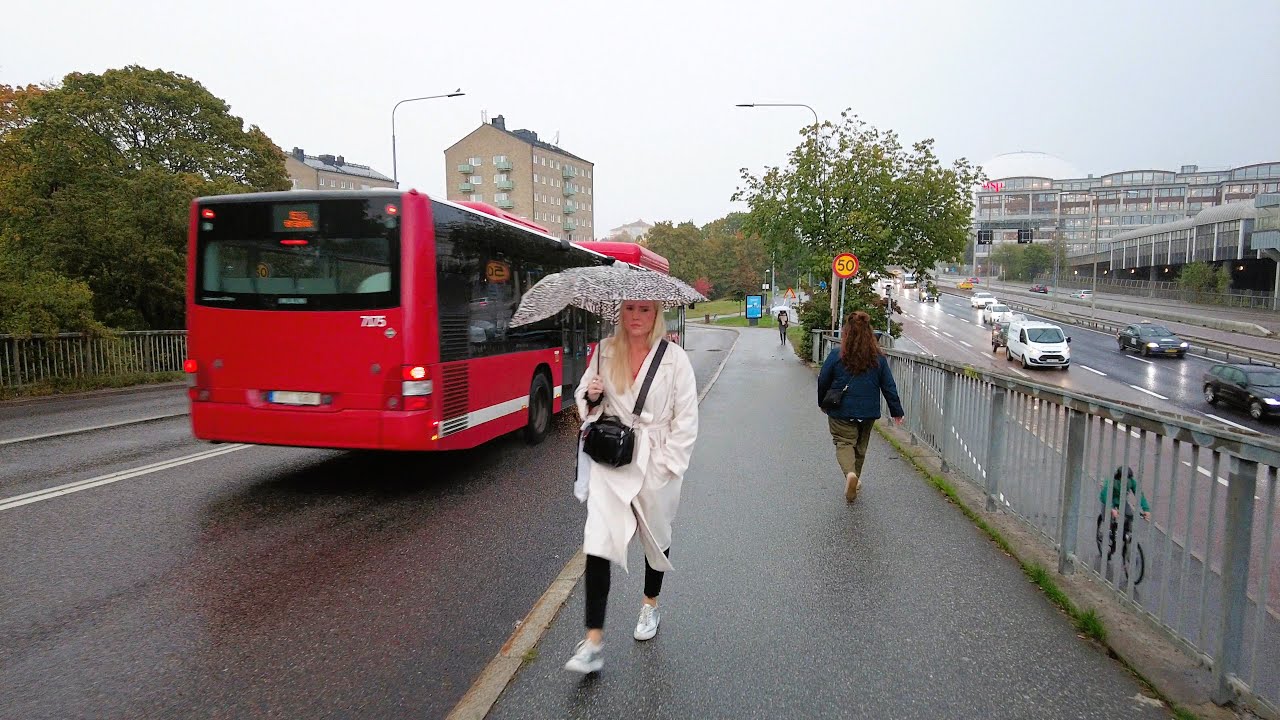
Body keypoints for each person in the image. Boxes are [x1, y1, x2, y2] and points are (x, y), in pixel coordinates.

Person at [564, 299, 700, 674]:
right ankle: (593, 641)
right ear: (619, 313)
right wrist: (591, 396)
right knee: (599, 540)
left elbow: (686, 418)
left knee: (656, 536)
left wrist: (668, 464)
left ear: (656, 315)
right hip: (615, 457)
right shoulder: (605, 351)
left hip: (656, 460)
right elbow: (586, 402)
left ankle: (650, 605)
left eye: (645, 310)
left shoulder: (674, 359)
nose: (636, 317)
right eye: (630, 310)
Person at [817, 311, 905, 503]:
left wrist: (822, 402)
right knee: (860, 447)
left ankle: (850, 475)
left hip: (840, 409)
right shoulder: (878, 358)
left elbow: (823, 380)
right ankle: (855, 478)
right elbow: (888, 386)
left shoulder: (836, 355)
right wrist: (896, 411)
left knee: (844, 443)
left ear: (846, 332)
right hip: (868, 411)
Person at [1097, 465, 1151, 559]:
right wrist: (1111, 509)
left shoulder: (1131, 482)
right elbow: (1105, 495)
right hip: (1108, 500)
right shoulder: (1111, 482)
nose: (1126, 482)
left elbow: (1139, 495)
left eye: (1128, 480)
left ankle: (1126, 534)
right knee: (1108, 518)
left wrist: (1146, 509)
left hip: (1121, 501)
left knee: (1130, 515)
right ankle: (1108, 537)